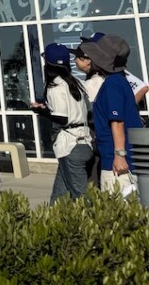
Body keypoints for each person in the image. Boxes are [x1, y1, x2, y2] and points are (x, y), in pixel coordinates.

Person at [31, 43, 93, 203]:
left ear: (48, 65)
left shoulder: (55, 87)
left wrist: (41, 111)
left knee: (81, 196)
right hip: (84, 141)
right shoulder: (76, 83)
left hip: (70, 146)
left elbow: (62, 118)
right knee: (59, 197)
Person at [82, 34, 142, 196]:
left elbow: (117, 122)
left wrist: (119, 155)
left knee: (117, 214)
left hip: (116, 163)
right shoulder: (120, 80)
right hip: (124, 159)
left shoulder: (112, 85)